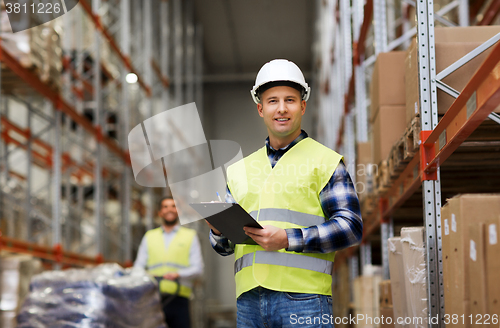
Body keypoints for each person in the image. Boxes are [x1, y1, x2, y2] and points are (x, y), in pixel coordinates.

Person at [207, 59, 363, 327]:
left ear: (302, 105)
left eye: (290, 100)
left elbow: (350, 227)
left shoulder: (324, 161)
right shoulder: (239, 170)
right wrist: (218, 230)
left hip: (304, 301)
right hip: (248, 303)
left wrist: (288, 239)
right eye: (272, 101)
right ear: (260, 109)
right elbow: (225, 248)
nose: (281, 109)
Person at [135, 196, 204, 328]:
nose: (169, 210)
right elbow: (138, 267)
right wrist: (148, 276)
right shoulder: (150, 236)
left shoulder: (190, 236)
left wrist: (178, 274)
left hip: (179, 298)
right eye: (165, 207)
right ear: (160, 212)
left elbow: (198, 268)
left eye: (173, 206)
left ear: (179, 211)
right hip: (153, 299)